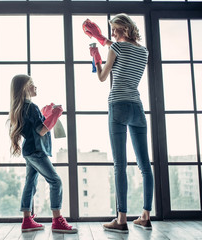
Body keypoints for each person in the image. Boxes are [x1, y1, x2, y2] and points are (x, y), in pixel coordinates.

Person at [83, 13, 154, 233]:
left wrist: (96, 56)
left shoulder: (117, 48)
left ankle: (121, 220)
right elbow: (120, 47)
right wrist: (104, 40)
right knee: (144, 166)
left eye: (115, 29)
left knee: (120, 165)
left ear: (123, 29)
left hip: (118, 105)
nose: (112, 33)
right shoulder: (144, 51)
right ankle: (145, 216)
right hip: (137, 107)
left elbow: (103, 77)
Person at [9, 74, 77, 234]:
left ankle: (27, 220)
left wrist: (45, 114)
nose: (35, 87)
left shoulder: (23, 108)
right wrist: (54, 115)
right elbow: (41, 130)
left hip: (29, 150)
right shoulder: (31, 107)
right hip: (37, 151)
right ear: (25, 88)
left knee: (30, 183)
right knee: (55, 181)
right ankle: (57, 220)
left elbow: (35, 127)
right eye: (32, 84)